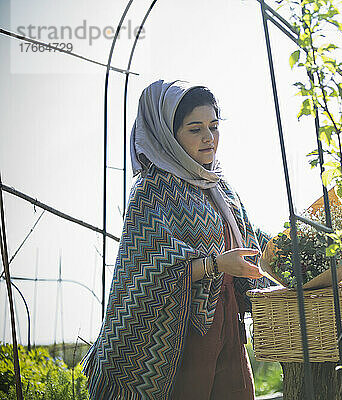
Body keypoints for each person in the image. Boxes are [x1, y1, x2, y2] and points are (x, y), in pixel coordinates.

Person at [80, 79, 274, 399]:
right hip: (177, 339)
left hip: (225, 326)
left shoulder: (219, 187)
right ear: (170, 135)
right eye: (195, 129)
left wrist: (301, 245)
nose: (209, 138)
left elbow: (251, 238)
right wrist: (216, 265)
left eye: (213, 126)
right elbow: (149, 269)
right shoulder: (152, 192)